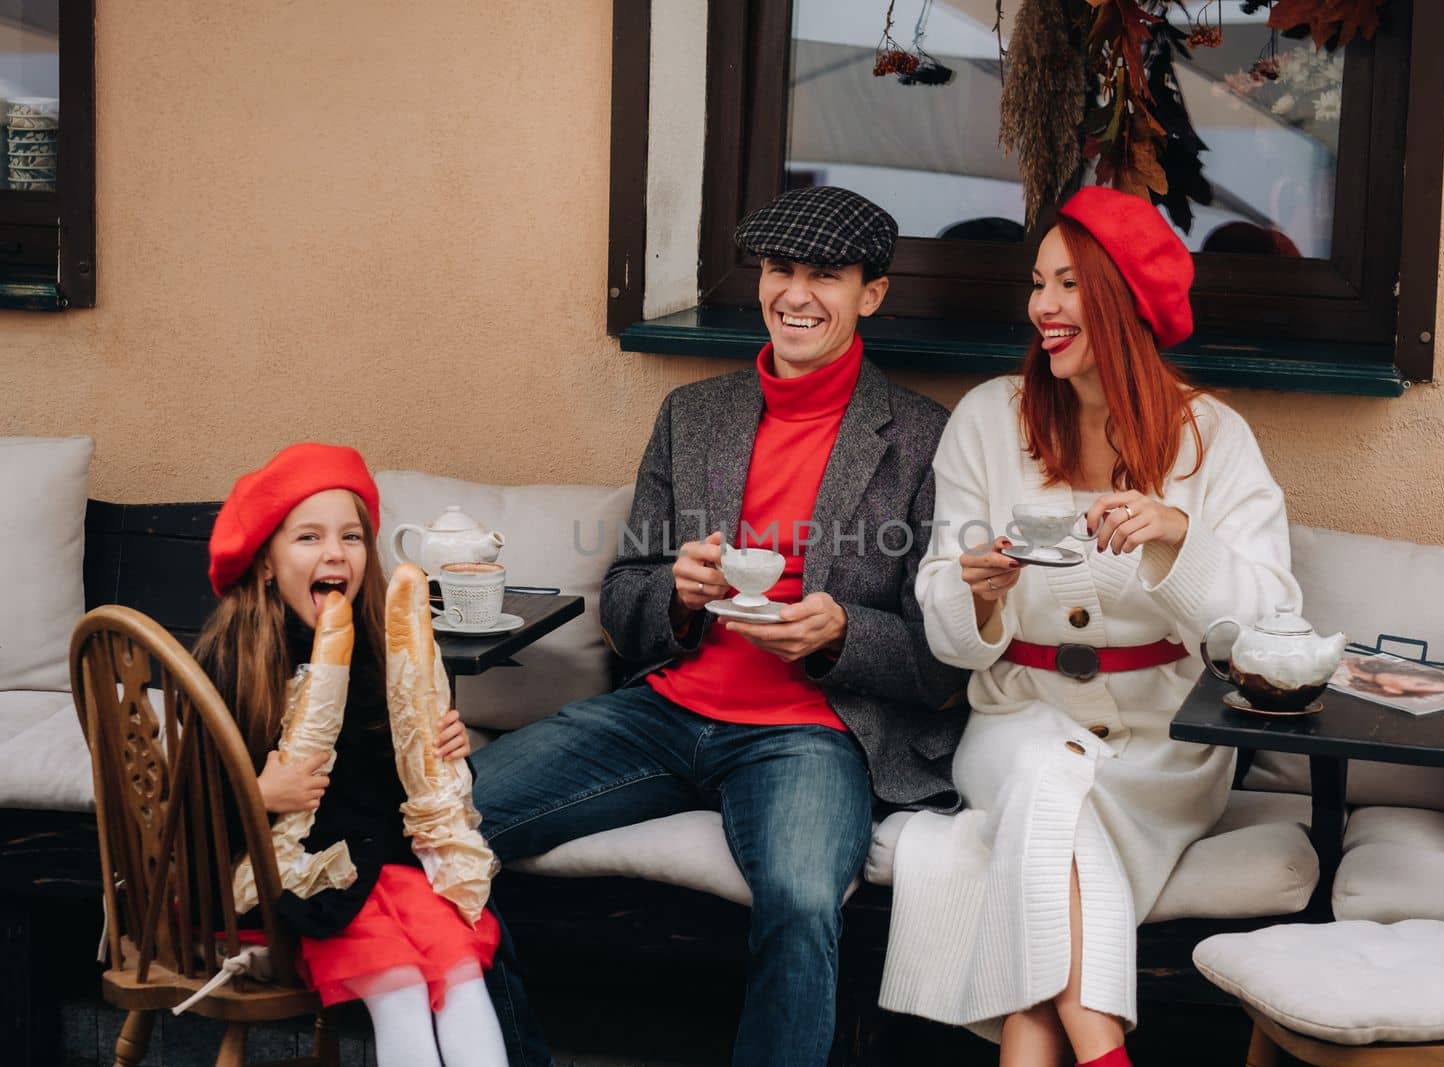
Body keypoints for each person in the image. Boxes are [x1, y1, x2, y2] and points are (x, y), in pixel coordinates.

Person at [470, 185, 968, 1067]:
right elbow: (625, 604)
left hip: (812, 735)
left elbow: (943, 659)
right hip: (663, 710)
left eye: (827, 274)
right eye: (780, 270)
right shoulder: (693, 416)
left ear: (873, 293)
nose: (797, 294)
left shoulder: (926, 438)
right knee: (442, 821)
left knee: (807, 897)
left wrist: (840, 632)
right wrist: (678, 593)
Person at [881, 187, 1302, 1067]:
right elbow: (948, 632)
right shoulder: (988, 422)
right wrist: (980, 592)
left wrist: (1179, 541)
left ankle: (1058, 1045)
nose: (1042, 307)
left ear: (1123, 300)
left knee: (1047, 822)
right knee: (1043, 770)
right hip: (1010, 722)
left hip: (1161, 750)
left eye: (1068, 284)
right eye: (1038, 283)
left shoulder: (1214, 441)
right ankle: (1103, 1047)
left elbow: (1268, 629)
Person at [194, 443, 509, 1067]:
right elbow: (185, 813)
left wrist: (449, 756)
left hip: (379, 868)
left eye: (352, 537)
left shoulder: (379, 656)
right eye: (308, 538)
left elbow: (405, 796)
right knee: (400, 989)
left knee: (462, 976)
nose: (335, 553)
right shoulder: (231, 664)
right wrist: (259, 795)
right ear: (265, 563)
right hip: (282, 888)